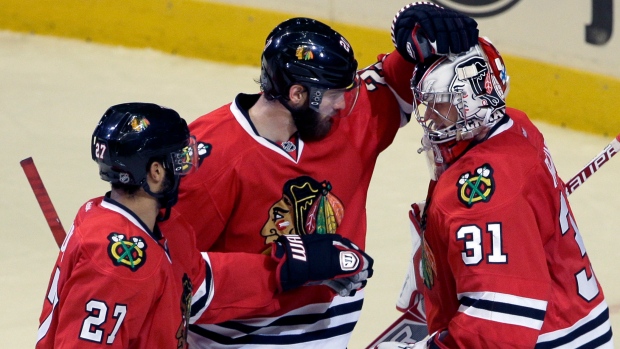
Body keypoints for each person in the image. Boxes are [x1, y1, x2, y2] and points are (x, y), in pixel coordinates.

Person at [167, 2, 479, 348]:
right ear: (298, 94)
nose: (343, 105)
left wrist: (421, 34)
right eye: (333, 95)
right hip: (238, 339)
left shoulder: (341, 121)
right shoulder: (209, 162)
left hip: (331, 332)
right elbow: (168, 274)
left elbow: (393, 83)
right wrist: (282, 270)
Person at [36, 103, 373, 348]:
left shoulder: (163, 228)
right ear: (154, 172)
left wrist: (288, 268)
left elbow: (198, 283)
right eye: (180, 159)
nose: (190, 165)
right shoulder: (117, 266)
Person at [380, 37, 614, 348]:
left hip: (549, 339)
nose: (430, 117)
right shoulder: (515, 126)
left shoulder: (480, 198)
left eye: (442, 103)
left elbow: (496, 328)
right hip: (573, 318)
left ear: (475, 100)